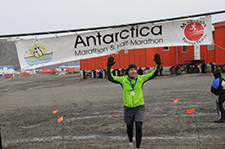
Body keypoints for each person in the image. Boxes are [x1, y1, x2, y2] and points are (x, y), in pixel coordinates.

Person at [107, 54, 161, 149]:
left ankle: (138, 147)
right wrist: (109, 67)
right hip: (128, 108)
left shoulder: (141, 79)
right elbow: (110, 78)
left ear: (137, 71)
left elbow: (153, 74)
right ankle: (131, 141)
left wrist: (158, 64)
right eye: (131, 70)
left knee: (139, 128)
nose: (133, 71)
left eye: (134, 69)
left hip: (139, 107)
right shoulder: (123, 80)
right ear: (128, 71)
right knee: (129, 127)